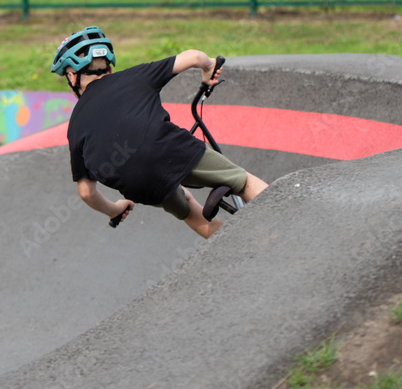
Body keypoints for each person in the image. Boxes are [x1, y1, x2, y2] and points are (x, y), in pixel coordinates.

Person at [51, 26, 268, 238]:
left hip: (138, 184)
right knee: (242, 182)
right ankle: (283, 219)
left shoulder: (75, 126)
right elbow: (193, 57)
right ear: (109, 68)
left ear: (72, 76)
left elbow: (86, 192)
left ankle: (238, 249)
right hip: (167, 147)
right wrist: (209, 67)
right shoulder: (133, 76)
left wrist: (114, 210)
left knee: (189, 209)